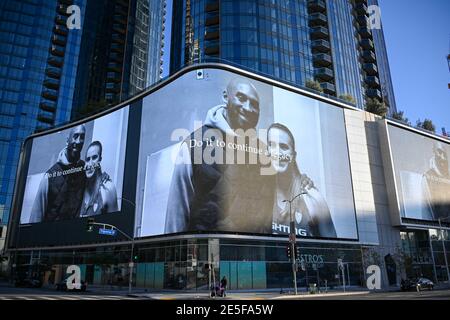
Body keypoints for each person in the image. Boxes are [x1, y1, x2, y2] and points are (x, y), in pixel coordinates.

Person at [164, 78, 275, 234]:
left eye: (255, 105)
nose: (249, 108)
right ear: (225, 97)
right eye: (241, 98)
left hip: (254, 255)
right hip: (205, 255)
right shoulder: (194, 144)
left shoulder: (264, 153)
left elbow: (267, 216)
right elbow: (175, 219)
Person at [267, 123, 337, 238]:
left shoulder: (312, 197)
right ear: (267, 151)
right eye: (272, 145)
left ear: (293, 155)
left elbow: (333, 248)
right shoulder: (259, 194)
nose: (278, 153)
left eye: (284, 147)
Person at [30, 125, 86, 223]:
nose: (78, 141)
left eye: (82, 137)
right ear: (67, 140)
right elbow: (35, 219)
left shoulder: (85, 170)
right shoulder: (49, 177)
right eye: (75, 136)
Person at [79, 141, 118, 217]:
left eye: (94, 158)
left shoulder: (108, 188)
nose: (90, 164)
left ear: (100, 159)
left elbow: (115, 222)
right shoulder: (79, 188)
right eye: (87, 159)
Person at [422, 142, 450, 220]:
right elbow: (426, 213)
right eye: (440, 152)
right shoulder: (427, 177)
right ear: (434, 152)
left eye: (445, 154)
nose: (443, 158)